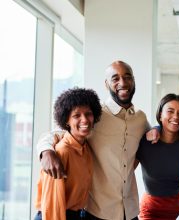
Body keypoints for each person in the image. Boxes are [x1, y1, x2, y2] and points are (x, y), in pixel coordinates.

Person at [37, 61, 150, 220]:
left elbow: (153, 136)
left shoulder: (140, 118)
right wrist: (46, 151)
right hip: (97, 211)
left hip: (130, 211)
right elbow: (58, 134)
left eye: (127, 77)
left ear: (133, 80)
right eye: (115, 78)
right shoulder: (93, 115)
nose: (122, 82)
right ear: (106, 84)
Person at [34, 88, 102, 220]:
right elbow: (52, 203)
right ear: (66, 121)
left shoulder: (86, 147)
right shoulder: (61, 152)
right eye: (77, 116)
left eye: (88, 114)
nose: (85, 120)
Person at [135, 93, 179, 219]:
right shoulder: (145, 141)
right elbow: (127, 170)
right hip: (151, 208)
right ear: (160, 114)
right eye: (170, 111)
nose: (176, 117)